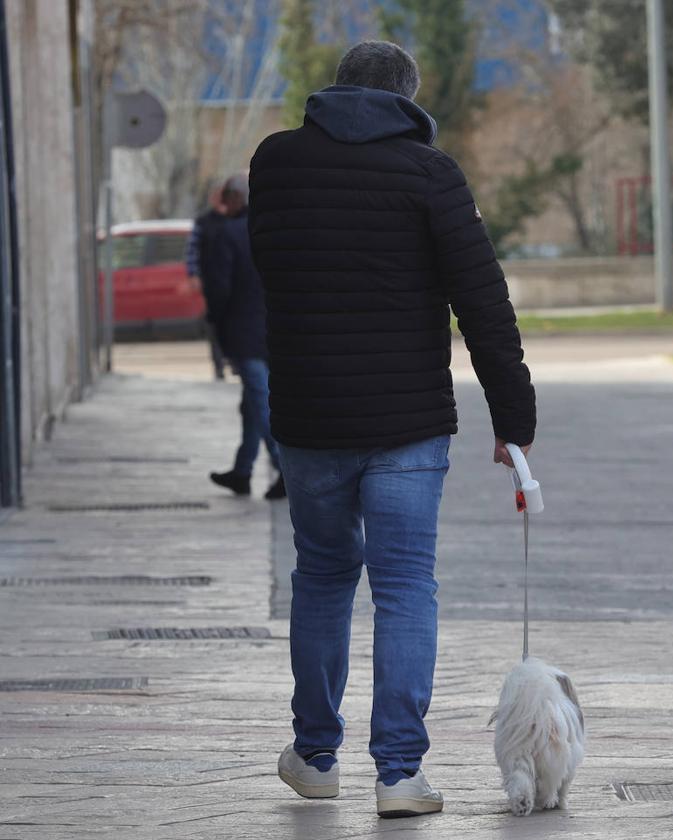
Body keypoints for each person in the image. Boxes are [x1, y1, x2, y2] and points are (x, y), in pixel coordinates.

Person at [248, 41, 535, 817]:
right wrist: (514, 420)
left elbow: (269, 265)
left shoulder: (276, 162)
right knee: (406, 588)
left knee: (324, 577)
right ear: (408, 99)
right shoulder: (429, 173)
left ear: (338, 88)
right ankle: (400, 776)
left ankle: (314, 757)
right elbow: (483, 302)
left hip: (309, 414)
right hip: (407, 421)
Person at [206, 173, 286, 501]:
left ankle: (285, 469)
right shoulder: (275, 230)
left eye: (227, 196)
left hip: (244, 331)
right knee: (252, 404)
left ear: (239, 197)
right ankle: (242, 471)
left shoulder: (229, 234)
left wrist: (215, 321)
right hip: (273, 330)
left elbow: (219, 289)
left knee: (260, 401)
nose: (223, 203)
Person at [185, 186, 229, 381]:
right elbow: (192, 250)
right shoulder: (203, 222)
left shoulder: (239, 218)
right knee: (215, 324)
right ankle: (218, 363)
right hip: (212, 282)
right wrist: (194, 275)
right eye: (217, 196)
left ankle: (234, 360)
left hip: (235, 282)